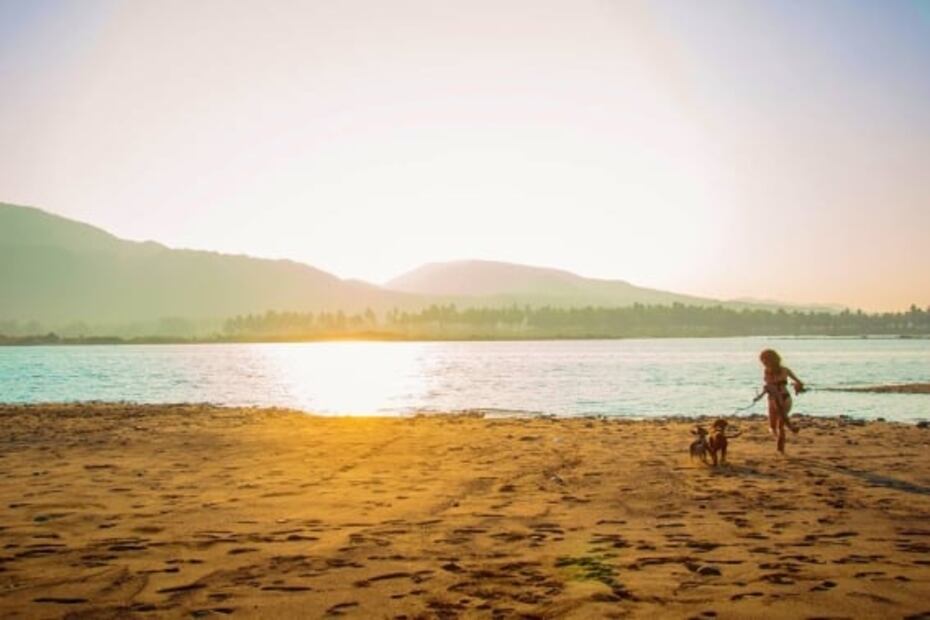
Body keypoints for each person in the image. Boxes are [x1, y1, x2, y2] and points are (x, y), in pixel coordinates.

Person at [759, 348, 804, 454]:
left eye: (765, 360)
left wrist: (797, 387)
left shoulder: (772, 371)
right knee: (777, 425)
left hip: (778, 398)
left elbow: (768, 387)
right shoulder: (782, 370)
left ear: (772, 360)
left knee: (776, 426)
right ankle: (782, 444)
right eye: (762, 360)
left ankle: (780, 447)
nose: (763, 363)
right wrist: (797, 387)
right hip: (782, 397)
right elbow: (799, 382)